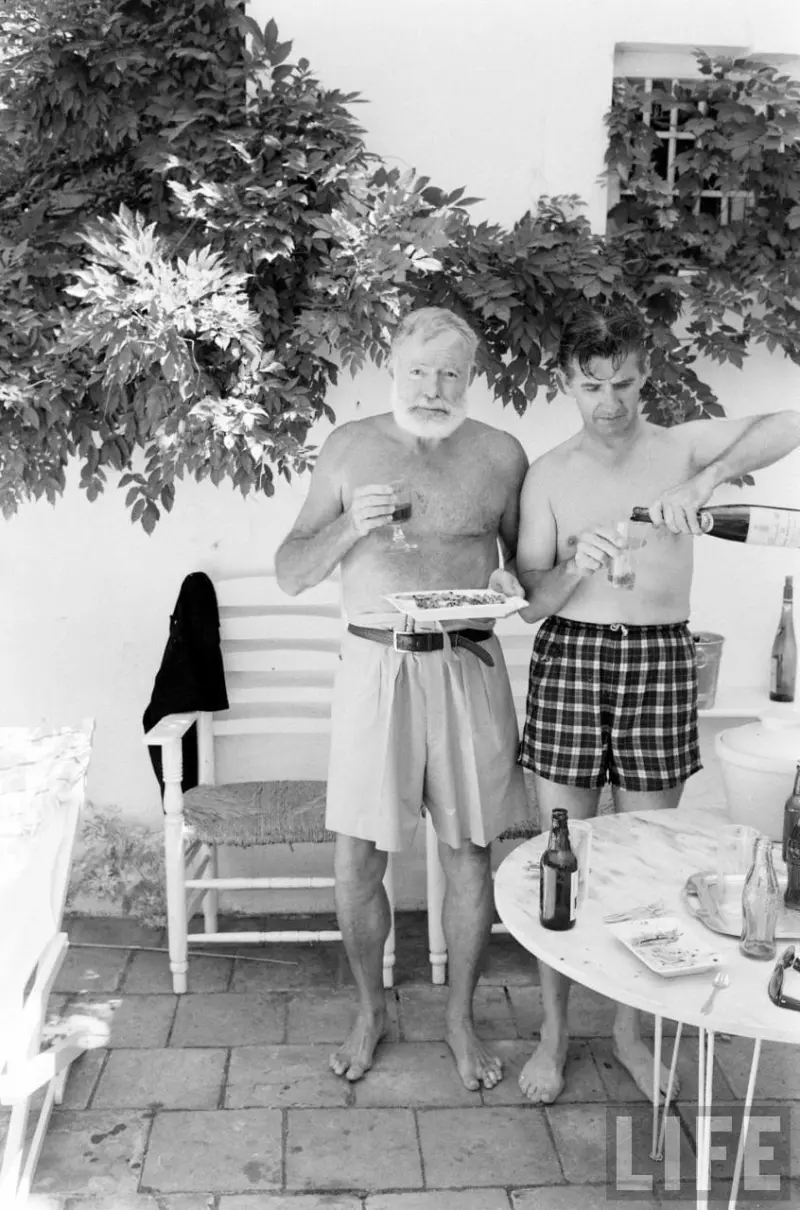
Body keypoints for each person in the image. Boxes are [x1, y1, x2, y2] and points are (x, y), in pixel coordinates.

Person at [513, 299, 800, 1105]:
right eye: (593, 386)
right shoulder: (550, 474)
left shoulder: (682, 445)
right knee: (558, 857)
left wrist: (706, 481)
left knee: (652, 852)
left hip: (661, 659)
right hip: (570, 657)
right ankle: (552, 1034)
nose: (610, 403)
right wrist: (576, 561)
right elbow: (533, 602)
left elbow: (788, 421)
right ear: (568, 380)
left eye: (626, 384)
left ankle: (631, 1031)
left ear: (648, 375)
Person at [274, 306, 530, 1090]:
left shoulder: (500, 454)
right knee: (357, 859)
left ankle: (458, 1017)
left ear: (472, 376)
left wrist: (513, 584)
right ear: (391, 363)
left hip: (467, 664)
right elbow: (291, 569)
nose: (435, 386)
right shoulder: (350, 448)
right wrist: (351, 525)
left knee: (470, 855)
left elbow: (529, 567)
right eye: (421, 369)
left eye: (452, 371)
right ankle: (372, 1008)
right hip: (375, 666)